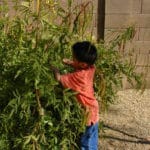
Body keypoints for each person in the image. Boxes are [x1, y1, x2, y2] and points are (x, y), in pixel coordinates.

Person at [51, 41, 99, 150]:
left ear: (82, 63)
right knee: (92, 138)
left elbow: (60, 79)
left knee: (86, 143)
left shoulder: (78, 77)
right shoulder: (90, 68)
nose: (72, 59)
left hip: (88, 113)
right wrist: (70, 63)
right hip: (93, 109)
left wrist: (55, 70)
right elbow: (81, 65)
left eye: (73, 57)